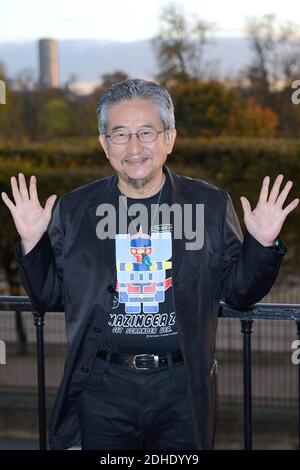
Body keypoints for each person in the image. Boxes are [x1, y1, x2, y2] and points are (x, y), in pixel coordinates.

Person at [1, 79, 299, 450]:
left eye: (146, 132)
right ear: (104, 144)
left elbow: (239, 293)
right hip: (101, 390)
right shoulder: (76, 210)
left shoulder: (209, 205)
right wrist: (32, 242)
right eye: (120, 134)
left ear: (169, 139)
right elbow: (46, 296)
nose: (135, 147)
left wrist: (262, 243)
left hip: (182, 391)